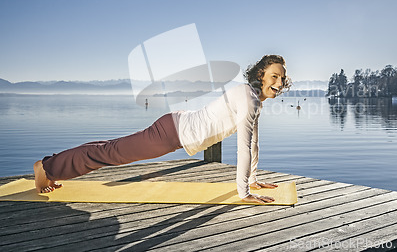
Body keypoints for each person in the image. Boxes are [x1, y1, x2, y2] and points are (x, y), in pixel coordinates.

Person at [33, 54, 292, 204]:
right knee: (111, 153)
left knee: (110, 149)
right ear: (260, 75)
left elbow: (253, 142)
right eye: (274, 76)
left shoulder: (254, 100)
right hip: (170, 133)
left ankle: (52, 165)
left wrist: (253, 180)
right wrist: (244, 193)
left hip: (175, 129)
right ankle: (46, 168)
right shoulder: (248, 98)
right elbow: (243, 147)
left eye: (282, 78)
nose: (279, 83)